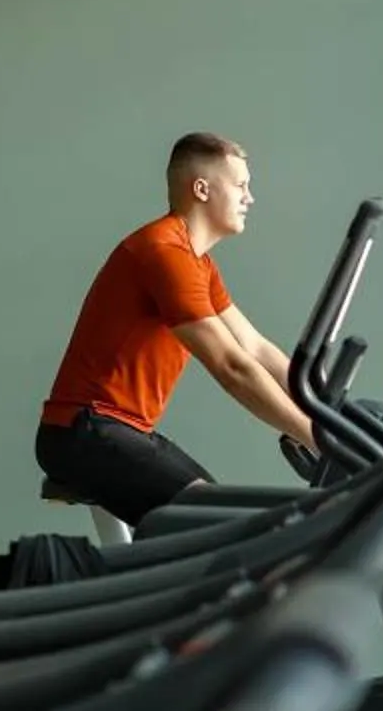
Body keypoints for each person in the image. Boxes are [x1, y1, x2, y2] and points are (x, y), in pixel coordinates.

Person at [35, 133, 316, 528]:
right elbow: (232, 366)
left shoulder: (197, 263)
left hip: (117, 429)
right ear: (201, 189)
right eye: (240, 186)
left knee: (223, 514)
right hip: (85, 431)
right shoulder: (165, 252)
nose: (250, 198)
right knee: (220, 524)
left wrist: (326, 409)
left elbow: (255, 348)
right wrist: (316, 437)